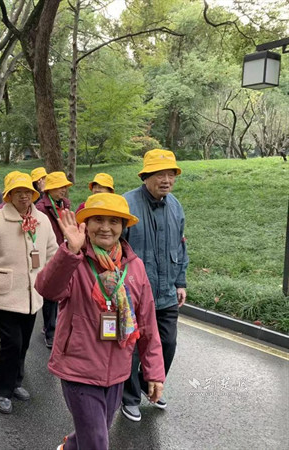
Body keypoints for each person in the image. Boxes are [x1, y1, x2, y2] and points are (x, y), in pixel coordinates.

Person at [35, 194, 165, 450]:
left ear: (123, 226)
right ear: (87, 224)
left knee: (96, 432)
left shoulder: (135, 267)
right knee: (96, 441)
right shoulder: (75, 259)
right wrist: (70, 252)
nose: (105, 227)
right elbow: (47, 289)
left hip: (117, 371)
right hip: (79, 368)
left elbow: (147, 322)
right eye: (98, 220)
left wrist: (154, 373)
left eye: (113, 221)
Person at [0, 171, 58, 415]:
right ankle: (3, 390)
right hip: (3, 295)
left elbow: (53, 254)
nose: (24, 196)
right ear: (9, 195)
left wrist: (54, 283)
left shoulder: (42, 220)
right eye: (18, 192)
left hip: (32, 296)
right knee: (12, 343)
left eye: (27, 192)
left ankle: (16, 382)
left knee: (23, 345)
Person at [121, 149, 188, 422]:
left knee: (167, 343)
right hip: (132, 295)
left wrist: (180, 282)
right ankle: (129, 398)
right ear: (146, 176)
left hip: (166, 293)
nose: (166, 180)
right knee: (132, 349)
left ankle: (150, 383)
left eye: (171, 174)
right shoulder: (126, 204)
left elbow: (181, 246)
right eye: (160, 174)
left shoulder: (176, 206)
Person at [35, 171, 73, 349]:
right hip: (49, 254)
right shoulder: (41, 208)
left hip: (64, 251)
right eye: (59, 187)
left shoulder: (65, 204)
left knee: (61, 293)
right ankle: (49, 330)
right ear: (49, 189)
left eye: (65, 186)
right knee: (50, 294)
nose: (63, 190)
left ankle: (56, 326)